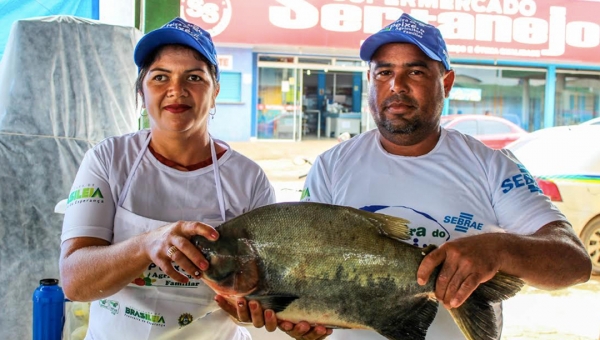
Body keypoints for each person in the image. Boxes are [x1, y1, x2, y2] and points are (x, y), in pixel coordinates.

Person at [294, 13, 592, 340]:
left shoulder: (491, 165)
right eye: (384, 72)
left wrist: (500, 250)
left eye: (416, 71)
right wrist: (297, 319)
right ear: (369, 81)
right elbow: (304, 271)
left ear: (446, 83)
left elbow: (574, 263)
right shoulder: (330, 166)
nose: (397, 85)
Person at [59, 17, 278, 340]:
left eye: (194, 77)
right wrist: (147, 244)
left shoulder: (249, 180)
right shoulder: (108, 160)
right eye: (160, 77)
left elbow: (266, 288)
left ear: (215, 91)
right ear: (141, 91)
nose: (176, 90)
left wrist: (258, 310)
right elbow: (75, 281)